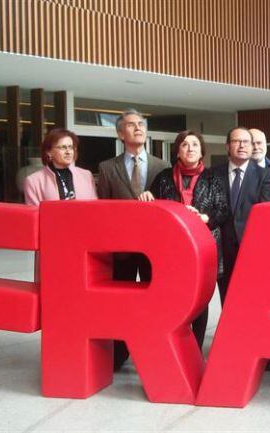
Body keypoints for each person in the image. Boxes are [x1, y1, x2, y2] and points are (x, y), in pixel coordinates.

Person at [137, 130, 229, 350]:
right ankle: (171, 347)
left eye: (195, 145)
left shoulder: (213, 178)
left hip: (203, 247)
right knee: (172, 299)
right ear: (177, 150)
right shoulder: (164, 177)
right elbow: (154, 210)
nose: (190, 149)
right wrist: (145, 198)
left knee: (199, 300)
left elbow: (223, 210)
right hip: (172, 250)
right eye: (185, 145)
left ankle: (195, 349)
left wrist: (206, 217)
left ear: (201, 151)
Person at [96, 108, 171, 372]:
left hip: (154, 249)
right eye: (131, 124)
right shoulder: (107, 168)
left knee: (156, 302)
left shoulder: (163, 166)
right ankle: (119, 354)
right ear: (120, 133)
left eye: (141, 123)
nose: (138, 128)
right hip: (123, 249)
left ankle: (156, 352)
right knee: (122, 303)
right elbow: (103, 210)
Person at [211, 127, 270, 307]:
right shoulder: (214, 174)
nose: (242, 145)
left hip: (251, 247)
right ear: (227, 146)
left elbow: (266, 214)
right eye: (236, 141)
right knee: (227, 298)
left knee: (252, 299)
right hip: (222, 247)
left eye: (246, 142)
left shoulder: (265, 175)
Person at [24, 128, 97, 205]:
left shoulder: (86, 175)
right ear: (49, 152)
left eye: (71, 147)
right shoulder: (34, 181)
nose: (68, 152)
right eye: (63, 147)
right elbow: (35, 214)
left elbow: (94, 207)